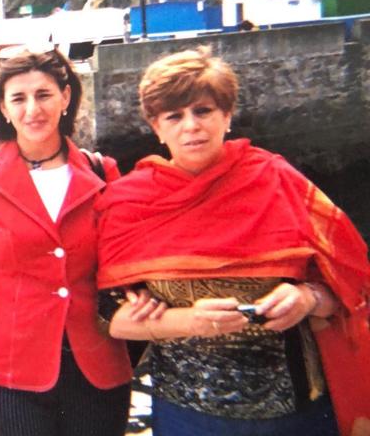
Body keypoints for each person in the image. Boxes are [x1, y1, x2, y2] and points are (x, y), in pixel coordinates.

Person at [96, 46, 370, 436]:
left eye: (203, 111)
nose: (191, 125)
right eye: (174, 116)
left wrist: (309, 297)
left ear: (227, 116)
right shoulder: (127, 203)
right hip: (187, 415)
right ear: (156, 127)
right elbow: (109, 318)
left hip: (296, 412)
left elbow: (352, 284)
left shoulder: (279, 181)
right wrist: (190, 321)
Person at [0, 45, 151, 436]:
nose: (32, 110)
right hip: (11, 377)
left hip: (99, 373)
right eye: (18, 99)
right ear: (3, 108)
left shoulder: (103, 172)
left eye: (43, 95)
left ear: (65, 97)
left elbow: (131, 262)